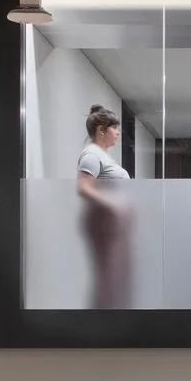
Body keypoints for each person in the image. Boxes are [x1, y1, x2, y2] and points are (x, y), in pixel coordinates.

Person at [77, 104, 132, 311]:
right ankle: (100, 322)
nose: (117, 133)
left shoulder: (104, 155)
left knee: (114, 275)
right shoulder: (92, 155)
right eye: (114, 128)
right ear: (101, 130)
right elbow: (84, 188)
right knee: (106, 275)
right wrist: (115, 206)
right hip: (102, 224)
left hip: (112, 225)